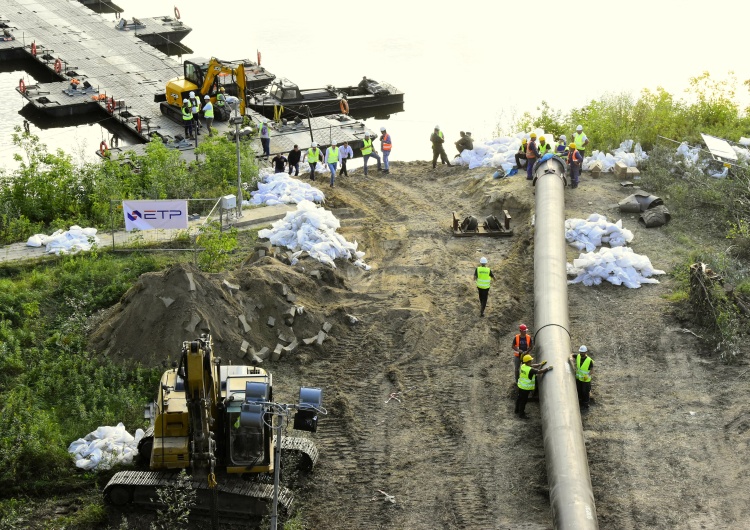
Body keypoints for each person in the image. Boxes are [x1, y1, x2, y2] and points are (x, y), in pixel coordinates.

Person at [515, 354, 553, 419]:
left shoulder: (523, 366)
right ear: (528, 362)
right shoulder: (530, 370)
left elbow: (532, 366)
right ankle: (521, 414)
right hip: (525, 388)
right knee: (523, 401)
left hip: (521, 386)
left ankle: (516, 410)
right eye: (530, 361)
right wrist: (548, 368)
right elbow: (539, 371)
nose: (531, 362)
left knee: (519, 398)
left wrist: (540, 364)